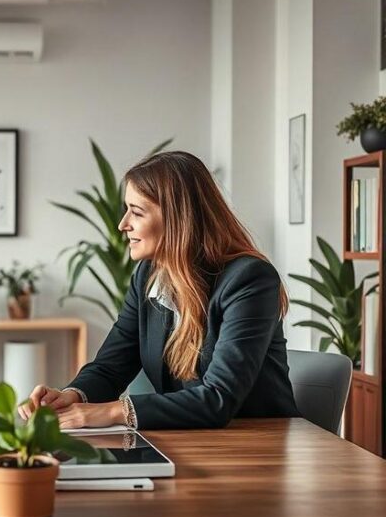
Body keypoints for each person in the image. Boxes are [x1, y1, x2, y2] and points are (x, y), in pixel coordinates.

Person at [20, 151, 299, 430]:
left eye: (137, 212)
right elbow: (110, 367)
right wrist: (71, 397)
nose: (123, 224)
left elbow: (218, 398)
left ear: (179, 219)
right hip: (187, 443)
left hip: (257, 447)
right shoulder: (147, 276)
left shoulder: (249, 280)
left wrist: (112, 412)